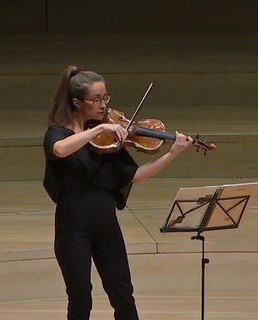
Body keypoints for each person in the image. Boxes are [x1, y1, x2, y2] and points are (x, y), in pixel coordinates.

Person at [43, 66, 193, 320]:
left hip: (106, 226)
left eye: (105, 98)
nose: (103, 105)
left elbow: (135, 175)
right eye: (96, 99)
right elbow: (59, 149)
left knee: (123, 296)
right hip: (72, 228)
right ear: (77, 102)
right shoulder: (60, 132)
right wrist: (99, 130)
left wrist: (172, 153)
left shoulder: (110, 139)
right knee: (80, 300)